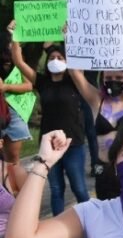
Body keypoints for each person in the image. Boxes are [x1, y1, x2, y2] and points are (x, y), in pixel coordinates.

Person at [67, 17, 123, 200]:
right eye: (108, 77)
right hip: (103, 169)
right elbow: (75, 73)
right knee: (106, 214)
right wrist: (70, 39)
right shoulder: (96, 101)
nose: (113, 81)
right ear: (102, 79)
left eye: (118, 78)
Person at [8, 36, 89, 216]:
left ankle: (91, 218)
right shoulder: (42, 82)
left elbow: (79, 59)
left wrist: (69, 37)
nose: (55, 61)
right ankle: (58, 223)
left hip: (73, 142)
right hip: (49, 146)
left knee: (79, 187)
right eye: (52, 58)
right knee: (56, 188)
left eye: (60, 58)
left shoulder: (74, 81)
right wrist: (14, 38)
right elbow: (19, 62)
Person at [0, 24, 34, 165]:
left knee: (13, 157)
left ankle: (13, 185)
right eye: (10, 43)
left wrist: (6, 87)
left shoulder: (15, 62)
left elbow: (29, 85)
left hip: (12, 110)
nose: (12, 45)